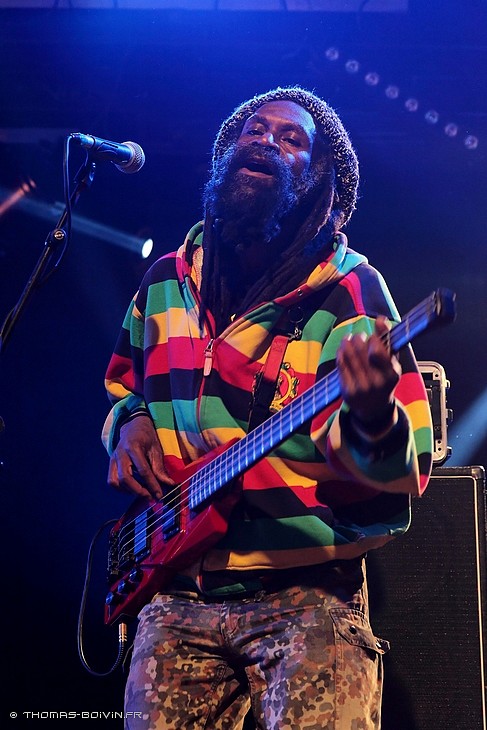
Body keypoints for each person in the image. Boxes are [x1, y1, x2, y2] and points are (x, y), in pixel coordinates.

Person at [102, 86, 433, 729]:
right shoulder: (166, 280)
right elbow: (125, 386)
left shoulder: (349, 290)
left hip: (306, 595)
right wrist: (130, 424)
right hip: (176, 590)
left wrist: (371, 416)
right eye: (252, 131)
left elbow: (406, 462)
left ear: (322, 185)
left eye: (290, 139)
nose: (264, 140)